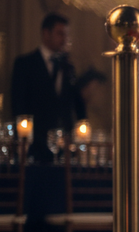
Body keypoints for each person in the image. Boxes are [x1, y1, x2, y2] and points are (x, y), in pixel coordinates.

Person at [10, 13, 86, 162]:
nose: (64, 39)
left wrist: (81, 131)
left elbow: (77, 104)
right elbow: (18, 105)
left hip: (64, 148)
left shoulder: (68, 67)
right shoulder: (25, 64)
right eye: (60, 34)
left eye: (66, 35)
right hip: (35, 147)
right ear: (46, 33)